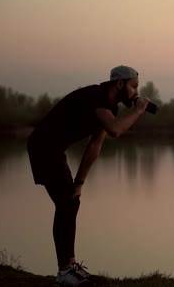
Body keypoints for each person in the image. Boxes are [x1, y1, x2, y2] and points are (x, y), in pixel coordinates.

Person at [27, 65, 151, 286]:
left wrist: (79, 182)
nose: (135, 93)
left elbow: (95, 145)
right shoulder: (98, 98)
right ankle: (64, 272)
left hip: (55, 149)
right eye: (133, 86)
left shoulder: (110, 106)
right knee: (65, 203)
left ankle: (70, 266)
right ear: (119, 84)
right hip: (43, 147)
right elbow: (115, 130)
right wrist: (138, 111)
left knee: (71, 200)